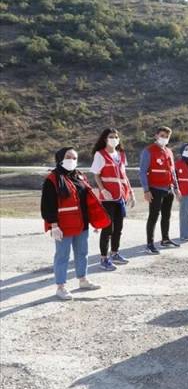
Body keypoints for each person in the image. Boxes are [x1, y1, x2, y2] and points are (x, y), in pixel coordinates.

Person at [42, 147, 110, 300]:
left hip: (82, 224)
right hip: (63, 226)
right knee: (62, 256)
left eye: (74, 158)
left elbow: (89, 201)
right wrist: (53, 224)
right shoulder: (52, 179)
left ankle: (83, 280)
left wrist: (95, 221)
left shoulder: (80, 176)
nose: (72, 160)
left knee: (82, 253)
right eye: (68, 157)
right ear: (60, 158)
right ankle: (60, 287)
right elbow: (47, 205)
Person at [90, 128, 135, 271]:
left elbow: (124, 176)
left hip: (120, 196)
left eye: (116, 137)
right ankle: (103, 258)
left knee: (119, 227)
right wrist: (102, 189)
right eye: (111, 136)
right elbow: (96, 175)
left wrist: (131, 193)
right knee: (107, 228)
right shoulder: (100, 154)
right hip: (108, 197)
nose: (114, 139)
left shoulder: (121, 155)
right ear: (105, 139)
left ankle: (115, 253)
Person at [140, 126, 180, 254]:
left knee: (166, 216)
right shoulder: (148, 151)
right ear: (156, 136)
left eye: (167, 136)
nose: (164, 138)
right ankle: (150, 244)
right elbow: (142, 172)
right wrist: (146, 190)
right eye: (162, 135)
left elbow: (172, 171)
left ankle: (165, 239)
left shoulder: (169, 151)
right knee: (153, 216)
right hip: (155, 189)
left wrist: (176, 188)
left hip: (168, 189)